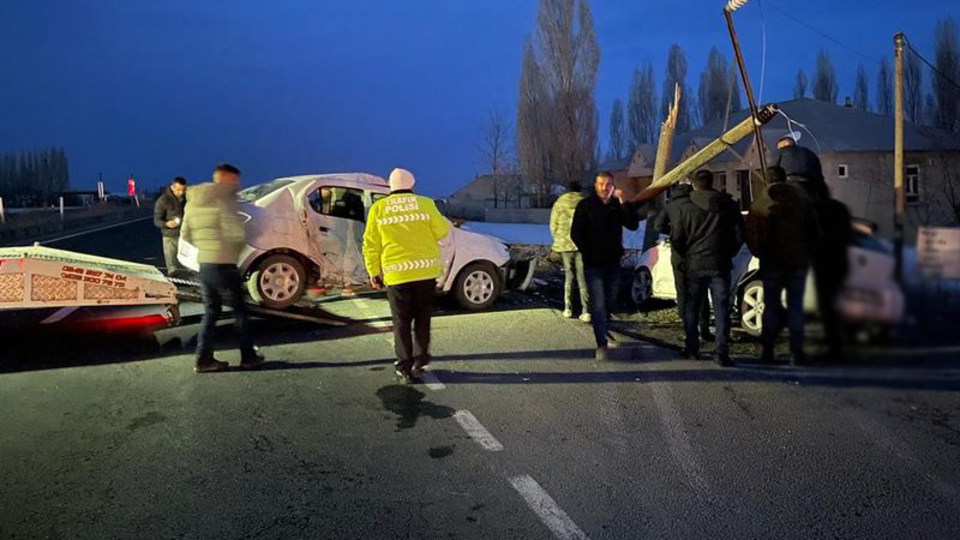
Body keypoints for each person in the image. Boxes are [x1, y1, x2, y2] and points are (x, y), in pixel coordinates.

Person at [362, 168, 450, 383]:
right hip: (425, 273)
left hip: (396, 275)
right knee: (422, 319)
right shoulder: (426, 204)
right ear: (412, 184)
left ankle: (405, 366)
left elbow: (370, 244)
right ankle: (421, 361)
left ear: (390, 186)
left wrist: (374, 272)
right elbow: (442, 232)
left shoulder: (378, 208)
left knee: (401, 322)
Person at [180, 163, 263, 373]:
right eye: (235, 180)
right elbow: (236, 234)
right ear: (225, 178)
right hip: (224, 264)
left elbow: (185, 234)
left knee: (211, 312)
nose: (237, 184)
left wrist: (206, 247)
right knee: (240, 311)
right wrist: (234, 252)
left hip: (205, 265)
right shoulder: (224, 199)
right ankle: (248, 357)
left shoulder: (193, 201)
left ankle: (203, 359)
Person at [745, 166, 822, 365]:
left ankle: (768, 351)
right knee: (796, 307)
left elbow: (752, 235)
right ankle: (796, 352)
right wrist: (808, 254)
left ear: (767, 180)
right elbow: (814, 232)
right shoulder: (802, 202)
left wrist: (760, 252)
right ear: (785, 179)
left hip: (772, 262)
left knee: (771, 306)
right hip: (798, 262)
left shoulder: (761, 204)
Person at [669, 170, 743, 366]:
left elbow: (677, 238)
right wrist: (728, 253)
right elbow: (739, 236)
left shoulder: (685, 207)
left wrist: (686, 255)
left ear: (693, 185)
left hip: (694, 264)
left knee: (692, 307)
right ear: (712, 182)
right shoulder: (728, 205)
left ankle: (692, 348)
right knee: (721, 309)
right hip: (720, 264)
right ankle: (721, 353)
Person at [571, 171, 639, 361]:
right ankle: (601, 343)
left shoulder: (616, 206)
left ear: (613, 186)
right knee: (598, 303)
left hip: (613, 262)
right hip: (593, 264)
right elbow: (576, 233)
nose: (605, 187)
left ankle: (605, 329)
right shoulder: (586, 205)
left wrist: (624, 202)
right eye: (601, 184)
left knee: (610, 300)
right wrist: (588, 252)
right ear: (595, 185)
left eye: (608, 184)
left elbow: (632, 224)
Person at [654, 182, 713, 342]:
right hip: (697, 253)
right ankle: (704, 328)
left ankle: (687, 329)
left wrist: (671, 232)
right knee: (701, 292)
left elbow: (658, 225)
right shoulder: (698, 204)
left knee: (682, 292)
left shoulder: (671, 206)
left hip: (678, 254)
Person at [812, 185, 853, 359]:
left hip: (823, 262)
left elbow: (811, 235)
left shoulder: (816, 211)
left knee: (827, 305)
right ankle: (841, 341)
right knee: (839, 302)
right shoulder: (839, 209)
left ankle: (833, 342)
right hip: (839, 261)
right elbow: (848, 234)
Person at [549, 181, 590, 322]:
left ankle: (568, 308)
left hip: (565, 244)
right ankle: (586, 310)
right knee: (582, 276)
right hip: (583, 245)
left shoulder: (559, 203)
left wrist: (558, 240)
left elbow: (553, 224)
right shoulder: (586, 202)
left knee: (569, 275)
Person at [153, 176, 187, 275]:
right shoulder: (163, 200)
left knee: (188, 263)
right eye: (178, 190)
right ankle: (173, 277)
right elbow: (156, 220)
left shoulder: (187, 199)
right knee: (172, 265)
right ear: (172, 187)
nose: (181, 192)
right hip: (170, 235)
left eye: (183, 190)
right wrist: (166, 224)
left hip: (185, 235)